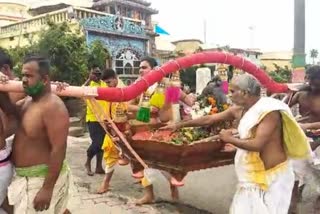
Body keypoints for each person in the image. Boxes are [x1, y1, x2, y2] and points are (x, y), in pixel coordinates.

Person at [162, 74, 311, 213]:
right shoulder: (239, 109)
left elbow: (257, 144)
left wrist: (229, 139)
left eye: (233, 91)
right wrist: (179, 125)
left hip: (272, 179)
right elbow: (209, 119)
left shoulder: (268, 112)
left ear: (245, 93)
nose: (229, 95)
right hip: (251, 180)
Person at [7, 56, 71, 213]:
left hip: (40, 181)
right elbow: (10, 112)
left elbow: (59, 149)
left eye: (29, 76)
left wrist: (47, 189)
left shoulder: (53, 106)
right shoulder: (28, 101)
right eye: (22, 75)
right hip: (25, 179)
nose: (23, 80)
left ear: (44, 80)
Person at [128, 57, 195, 205]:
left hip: (162, 131)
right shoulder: (139, 86)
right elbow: (127, 105)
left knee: (164, 163)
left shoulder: (167, 85)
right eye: (140, 67)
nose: (141, 70)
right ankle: (149, 194)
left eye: (144, 67)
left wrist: (196, 101)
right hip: (142, 130)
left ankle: (173, 188)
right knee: (141, 163)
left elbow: (176, 105)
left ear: (155, 69)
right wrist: (144, 109)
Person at [286, 65, 320, 212]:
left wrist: (310, 126)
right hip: (300, 139)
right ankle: (292, 206)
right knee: (293, 174)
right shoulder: (300, 94)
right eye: (307, 77)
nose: (309, 81)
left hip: (318, 141)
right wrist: (289, 94)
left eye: (313, 78)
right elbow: (282, 109)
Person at [97, 68, 128, 194]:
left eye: (109, 82)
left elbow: (127, 112)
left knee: (139, 160)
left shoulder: (124, 91)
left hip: (126, 130)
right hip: (113, 129)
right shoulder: (112, 90)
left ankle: (153, 191)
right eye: (106, 83)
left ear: (115, 78)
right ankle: (105, 183)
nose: (108, 85)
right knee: (109, 153)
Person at [84, 66, 107, 176]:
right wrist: (89, 79)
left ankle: (98, 166)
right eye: (94, 73)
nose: (96, 75)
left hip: (103, 118)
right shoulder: (89, 85)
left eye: (98, 73)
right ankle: (87, 163)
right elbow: (80, 91)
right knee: (97, 142)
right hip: (92, 118)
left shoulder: (103, 83)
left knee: (102, 143)